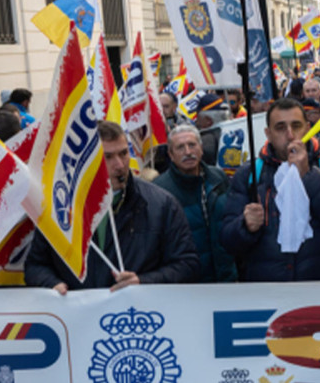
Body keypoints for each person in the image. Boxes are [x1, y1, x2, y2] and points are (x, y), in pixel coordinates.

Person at [25, 121, 201, 293]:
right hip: (78, 317)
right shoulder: (59, 208)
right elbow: (36, 265)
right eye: (107, 157)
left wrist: (143, 281)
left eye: (123, 153)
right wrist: (52, 283)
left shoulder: (161, 204)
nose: (120, 165)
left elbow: (187, 264)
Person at [220, 98, 320, 281]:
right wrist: (245, 226)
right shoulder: (250, 174)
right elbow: (227, 240)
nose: (290, 135)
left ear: (308, 128)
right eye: (280, 128)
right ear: (268, 134)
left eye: (296, 126)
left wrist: (308, 176)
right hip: (270, 290)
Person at [152, 125, 236, 282]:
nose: (188, 152)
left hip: (225, 277)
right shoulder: (160, 190)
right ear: (171, 154)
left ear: (201, 148)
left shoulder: (218, 177)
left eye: (192, 145)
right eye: (180, 147)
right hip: (188, 284)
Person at [194, 93, 229, 167]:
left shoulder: (204, 143)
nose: (196, 121)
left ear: (208, 120)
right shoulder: (235, 134)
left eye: (198, 117)